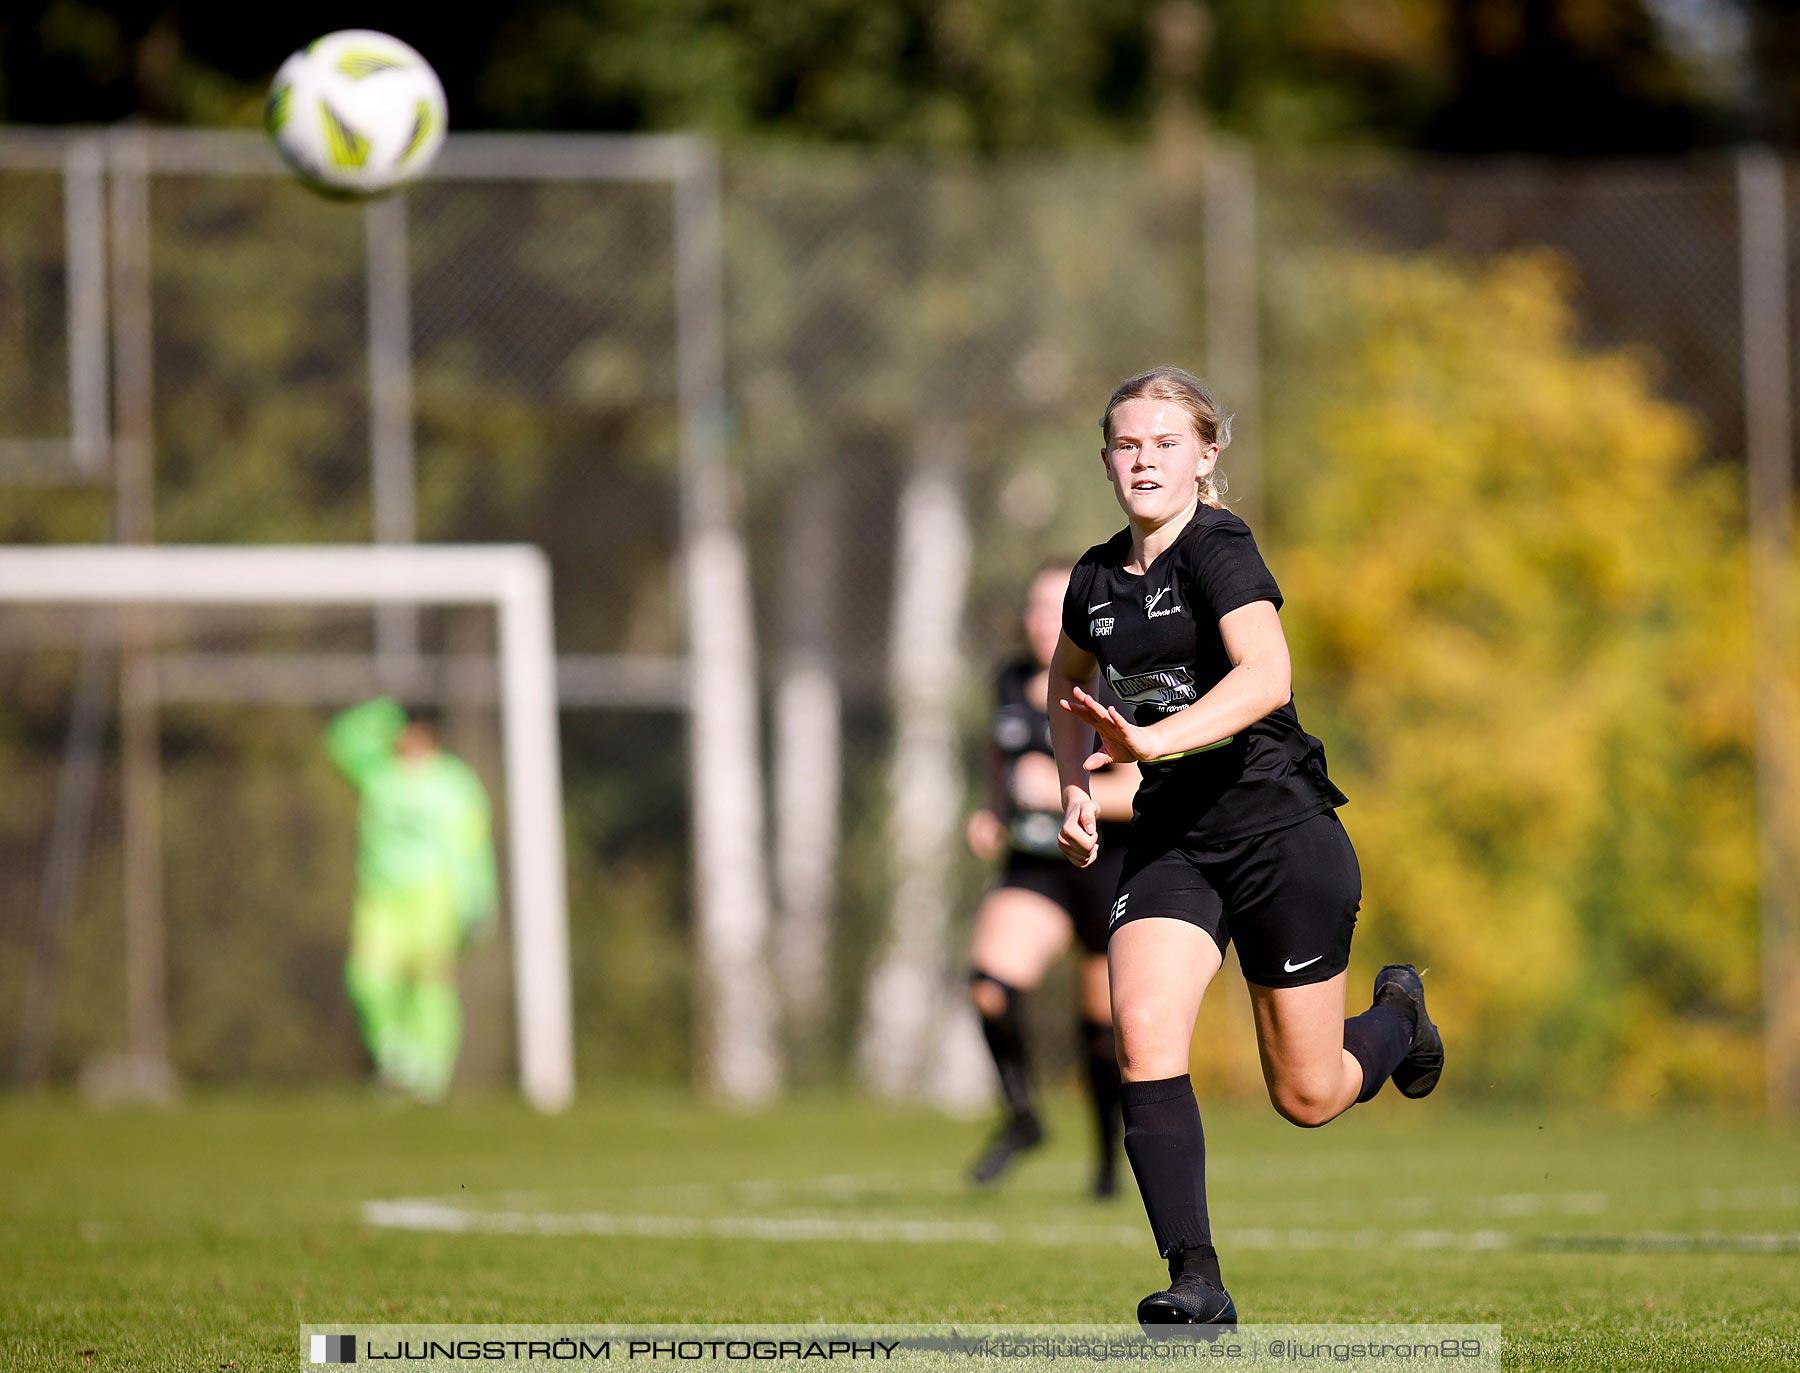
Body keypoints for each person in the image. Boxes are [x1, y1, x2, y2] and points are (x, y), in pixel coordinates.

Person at [1047, 367, 1443, 1330]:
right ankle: (1197, 1280)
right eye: (1128, 445)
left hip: (1282, 833)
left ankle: (1396, 1014)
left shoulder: (1220, 546)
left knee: (1307, 1094)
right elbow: (1065, 687)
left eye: (1166, 443)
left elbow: (1266, 674)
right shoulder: (1095, 579)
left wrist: (1154, 743)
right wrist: (1075, 790)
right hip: (1176, 841)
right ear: (1106, 460)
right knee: (1139, 1028)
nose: (1145, 460)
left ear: (1205, 455)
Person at [964, 561, 1141, 1197]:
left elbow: (1140, 787)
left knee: (1100, 1033)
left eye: (1059, 607)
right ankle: (1023, 1116)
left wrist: (1065, 796)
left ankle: (1105, 1163)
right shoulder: (1010, 679)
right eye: (1037, 608)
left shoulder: (1114, 679)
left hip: (1106, 867)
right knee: (989, 986)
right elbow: (999, 753)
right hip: (1036, 868)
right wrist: (991, 810)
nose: (1045, 621)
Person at [326, 697, 497, 1102]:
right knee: (367, 977)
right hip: (382, 896)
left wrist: (478, 901)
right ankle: (394, 1053)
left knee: (430, 983)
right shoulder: (379, 774)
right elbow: (338, 741)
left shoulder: (454, 782)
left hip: (435, 896)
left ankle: (431, 1073)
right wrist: (385, 713)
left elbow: (473, 844)